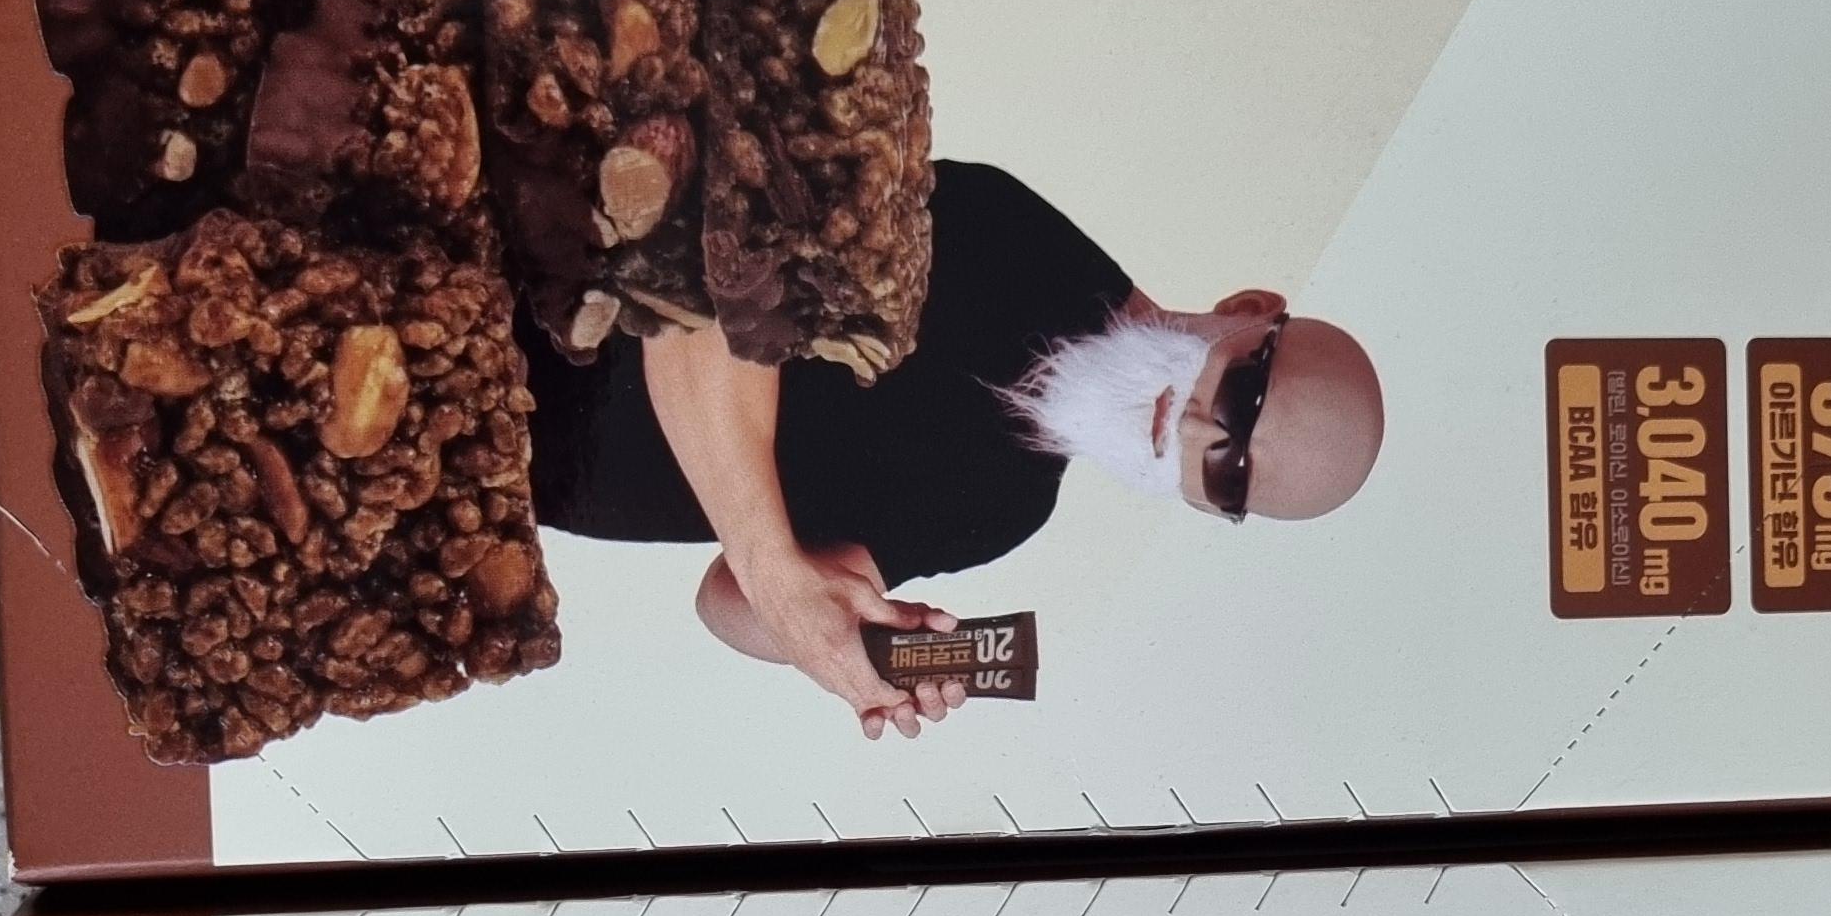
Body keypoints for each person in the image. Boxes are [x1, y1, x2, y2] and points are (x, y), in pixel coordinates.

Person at [522, 159, 1386, 742]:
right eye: (1242, 392)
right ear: (1248, 309)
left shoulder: (1009, 509)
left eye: (1231, 473)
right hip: (505, 289)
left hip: (498, 477)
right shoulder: (1012, 236)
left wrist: (846, 643)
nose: (1196, 429)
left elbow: (726, 602)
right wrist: (779, 575)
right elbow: (708, 266)